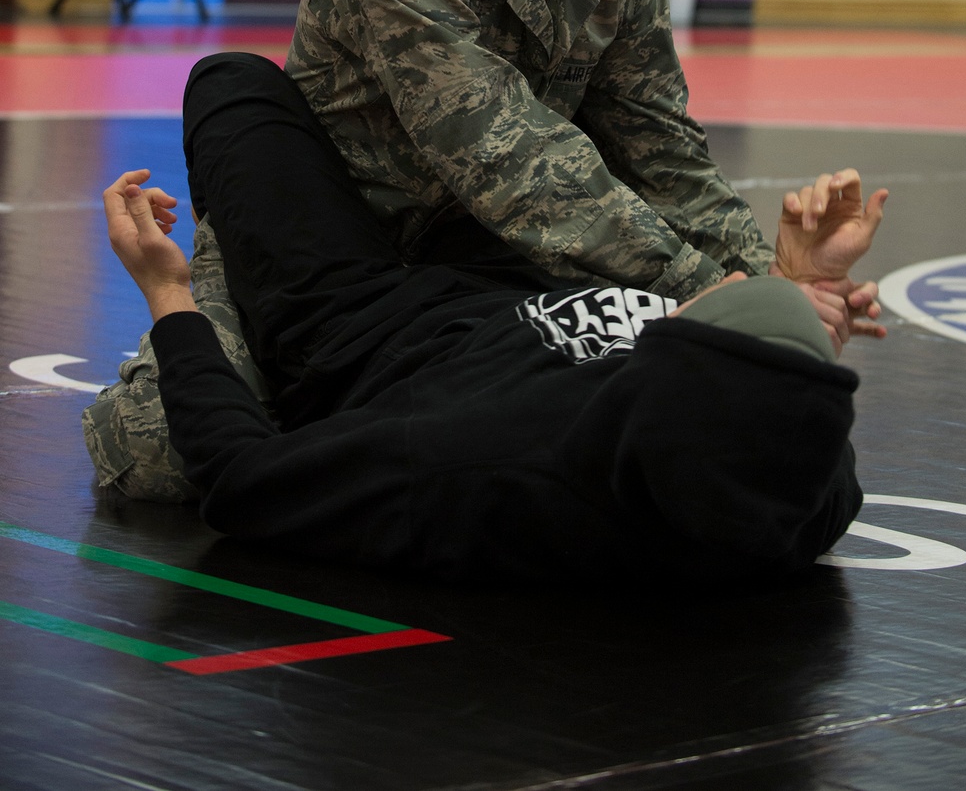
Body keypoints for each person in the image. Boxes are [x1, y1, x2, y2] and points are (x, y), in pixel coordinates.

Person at [82, 0, 885, 503]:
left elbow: (667, 157)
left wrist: (770, 293)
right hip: (318, 259)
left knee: (618, 431)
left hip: (478, 270)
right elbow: (516, 160)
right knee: (166, 461)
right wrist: (704, 290)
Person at [100, 52, 867, 584]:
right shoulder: (808, 481)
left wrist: (169, 293)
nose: (723, 279)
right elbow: (782, 400)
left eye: (707, 304)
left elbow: (243, 483)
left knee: (231, 82)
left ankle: (227, 266)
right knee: (531, 107)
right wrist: (796, 286)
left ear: (664, 363)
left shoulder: (474, 465)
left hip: (357, 321)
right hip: (512, 283)